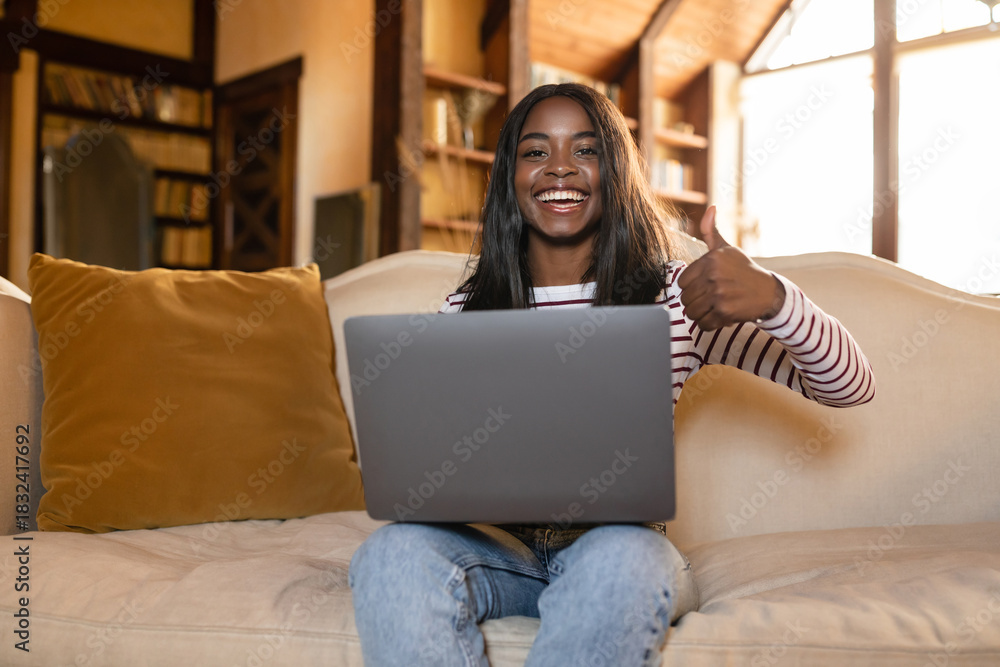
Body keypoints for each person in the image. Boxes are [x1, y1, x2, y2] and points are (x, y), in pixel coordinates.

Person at [349, 83, 875, 666]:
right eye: (534, 151)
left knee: (621, 556)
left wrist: (775, 298)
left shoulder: (678, 296)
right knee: (390, 551)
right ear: (510, 177)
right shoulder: (467, 309)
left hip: (623, 552)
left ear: (615, 169)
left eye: (586, 149)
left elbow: (850, 386)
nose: (559, 169)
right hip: (503, 555)